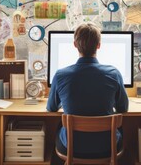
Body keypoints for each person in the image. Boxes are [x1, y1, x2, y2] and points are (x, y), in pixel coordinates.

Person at [47, 22, 129, 158]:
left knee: (58, 127)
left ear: (75, 45)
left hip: (72, 148)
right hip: (108, 147)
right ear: (98, 45)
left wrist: (66, 100)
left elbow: (51, 108)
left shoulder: (60, 75)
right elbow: (123, 108)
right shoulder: (114, 73)